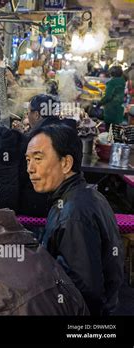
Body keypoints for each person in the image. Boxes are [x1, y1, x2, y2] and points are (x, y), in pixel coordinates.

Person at [25, 124, 124, 316]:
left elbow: (85, 293)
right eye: (28, 160)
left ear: (66, 163)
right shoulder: (84, 194)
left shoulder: (73, 215)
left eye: (38, 159)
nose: (30, 168)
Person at [17, 95, 77, 217]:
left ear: (37, 115)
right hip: (70, 202)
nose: (27, 116)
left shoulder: (34, 139)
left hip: (40, 206)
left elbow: (22, 174)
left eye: (28, 112)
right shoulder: (71, 132)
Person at [99, 65, 126, 131]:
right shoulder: (122, 81)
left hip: (111, 110)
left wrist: (99, 103)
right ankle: (115, 141)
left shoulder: (111, 83)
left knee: (109, 130)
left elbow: (108, 97)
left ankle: (109, 140)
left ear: (111, 73)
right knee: (116, 130)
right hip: (119, 108)